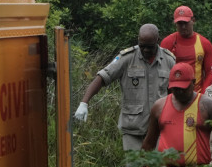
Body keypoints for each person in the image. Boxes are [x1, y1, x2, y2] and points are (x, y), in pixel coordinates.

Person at [73, 24, 177, 152]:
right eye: (142, 45)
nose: (145, 50)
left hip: (160, 129)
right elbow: (102, 77)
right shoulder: (127, 58)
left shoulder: (169, 60)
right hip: (133, 129)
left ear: (157, 40)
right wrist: (84, 102)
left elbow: (175, 92)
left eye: (149, 47)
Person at [160, 6, 212, 94]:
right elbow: (161, 72)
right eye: (180, 23)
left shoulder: (204, 43)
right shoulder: (167, 42)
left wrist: (204, 95)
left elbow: (210, 73)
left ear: (193, 20)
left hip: (197, 94)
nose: (183, 26)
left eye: (186, 22)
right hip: (173, 95)